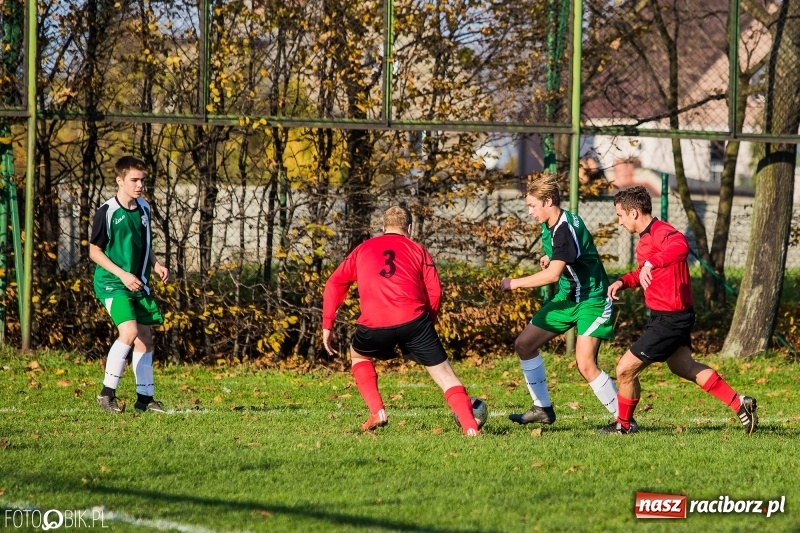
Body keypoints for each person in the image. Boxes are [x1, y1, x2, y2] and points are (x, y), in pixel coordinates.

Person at [601, 186, 757, 434]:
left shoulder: (662, 231)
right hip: (668, 316)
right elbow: (643, 272)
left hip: (670, 319)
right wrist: (623, 281)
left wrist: (652, 262)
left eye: (620, 215)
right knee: (683, 365)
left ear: (634, 213)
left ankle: (624, 425)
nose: (619, 221)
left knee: (625, 369)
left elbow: (681, 246)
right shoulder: (645, 239)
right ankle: (740, 404)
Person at [322, 205, 481, 436]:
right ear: (410, 228)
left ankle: (377, 411)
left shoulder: (362, 249)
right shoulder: (418, 250)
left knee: (358, 355)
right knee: (446, 375)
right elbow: (435, 292)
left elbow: (335, 283)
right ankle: (470, 427)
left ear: (383, 227)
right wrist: (427, 324)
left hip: (374, 323)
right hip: (414, 320)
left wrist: (328, 323)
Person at [501, 173, 619, 426]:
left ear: (548, 201)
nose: (530, 212)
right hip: (568, 297)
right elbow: (568, 255)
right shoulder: (553, 223)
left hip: (592, 299)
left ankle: (624, 420)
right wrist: (551, 257)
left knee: (585, 364)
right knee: (524, 344)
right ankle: (542, 408)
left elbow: (553, 275)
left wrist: (516, 283)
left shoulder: (564, 228)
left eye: (533, 206)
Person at [89, 156, 170, 414]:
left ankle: (145, 399)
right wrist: (122, 275)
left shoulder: (144, 208)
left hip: (137, 283)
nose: (140, 185)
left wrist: (156, 264)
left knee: (145, 338)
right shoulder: (107, 212)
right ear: (120, 180)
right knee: (130, 331)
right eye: (134, 180)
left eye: (142, 180)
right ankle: (106, 393)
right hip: (113, 282)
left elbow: (144, 244)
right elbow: (94, 251)